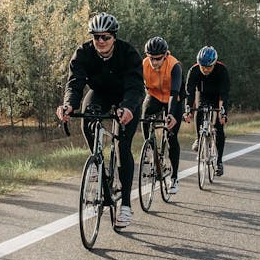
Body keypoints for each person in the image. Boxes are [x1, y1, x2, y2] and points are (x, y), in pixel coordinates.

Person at [55, 13, 145, 228]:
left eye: (105, 37)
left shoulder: (128, 53)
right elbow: (75, 83)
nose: (100, 41)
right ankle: (96, 160)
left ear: (114, 37)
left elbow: (135, 86)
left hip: (126, 96)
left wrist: (129, 107)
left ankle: (125, 205)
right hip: (100, 93)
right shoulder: (83, 53)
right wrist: (68, 105)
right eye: (96, 37)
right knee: (87, 117)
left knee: (123, 147)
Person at [140, 36, 184, 194]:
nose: (154, 62)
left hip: (174, 99)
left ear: (165, 55)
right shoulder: (144, 64)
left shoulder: (174, 66)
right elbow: (136, 86)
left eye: (158, 59)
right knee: (144, 117)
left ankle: (174, 178)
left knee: (172, 136)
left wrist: (171, 115)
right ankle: (150, 149)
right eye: (151, 58)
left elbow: (174, 93)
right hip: (155, 96)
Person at [184, 45, 231, 176]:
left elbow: (224, 94)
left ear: (214, 63)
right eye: (202, 66)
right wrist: (188, 110)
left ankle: (219, 162)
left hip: (218, 97)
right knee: (199, 110)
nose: (205, 69)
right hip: (203, 95)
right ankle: (199, 138)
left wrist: (223, 113)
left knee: (219, 127)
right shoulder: (194, 70)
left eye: (208, 67)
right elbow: (190, 92)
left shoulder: (222, 70)